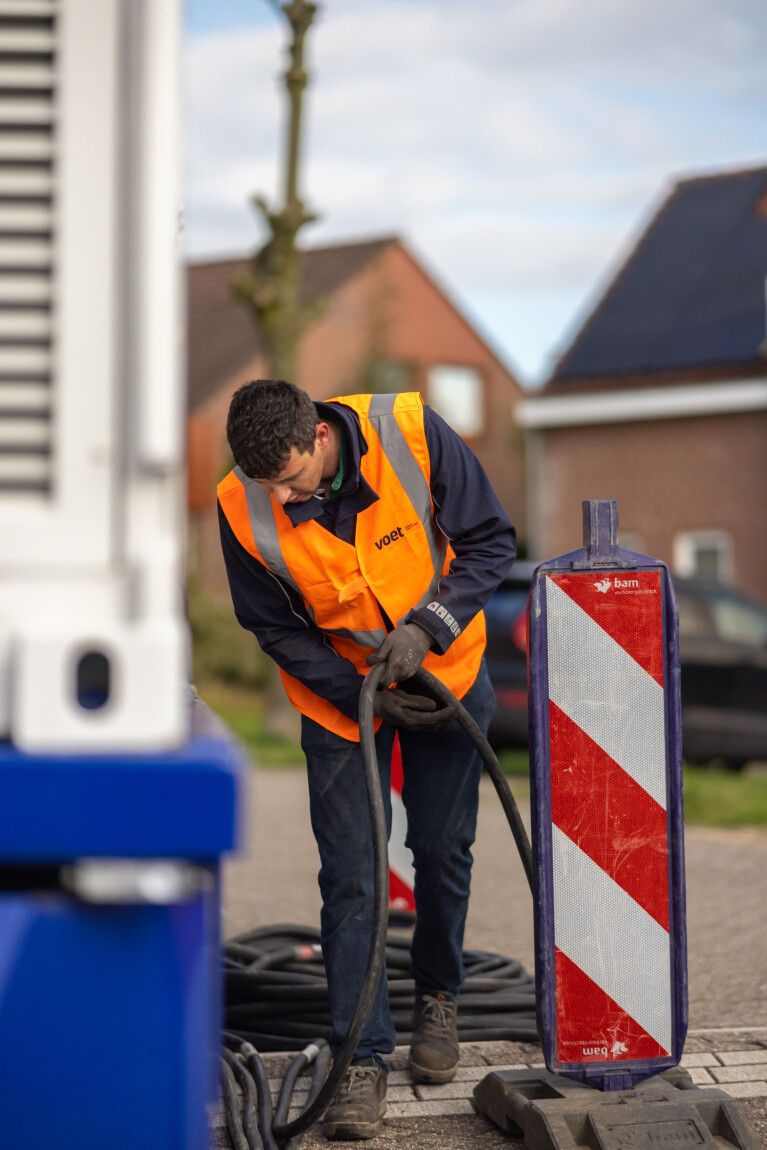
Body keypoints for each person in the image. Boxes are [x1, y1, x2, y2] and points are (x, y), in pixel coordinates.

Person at [218, 380, 516, 1140]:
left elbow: (489, 540)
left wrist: (431, 625)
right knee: (350, 876)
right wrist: (358, 691)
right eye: (266, 485)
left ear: (319, 435)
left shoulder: (411, 433)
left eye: (289, 479)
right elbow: (270, 626)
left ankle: (438, 1000)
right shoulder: (239, 503)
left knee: (442, 852)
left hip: (445, 677)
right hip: (342, 700)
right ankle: (361, 1057)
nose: (280, 498)